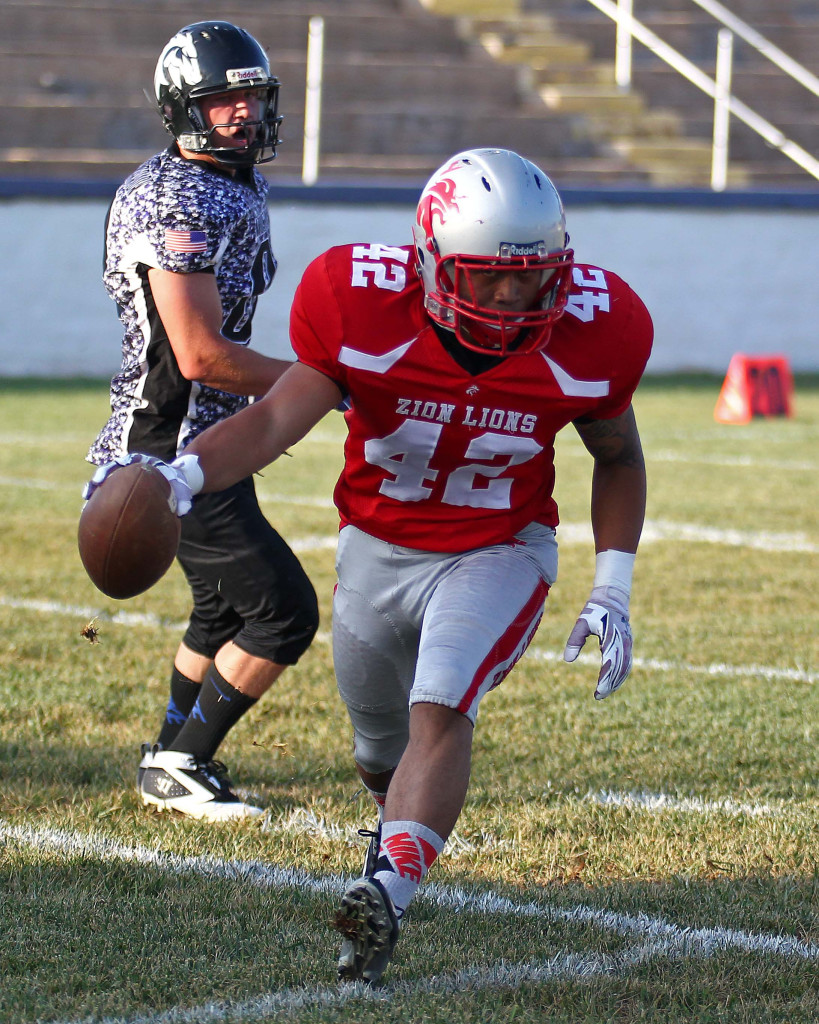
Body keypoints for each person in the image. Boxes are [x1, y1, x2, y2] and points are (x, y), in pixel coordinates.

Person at [86, 147, 652, 981]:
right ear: (428, 260)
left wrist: (613, 585)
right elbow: (277, 419)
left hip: (497, 548)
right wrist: (182, 475)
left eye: (528, 275)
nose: (508, 295)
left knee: (441, 702)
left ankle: (383, 895)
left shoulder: (600, 328)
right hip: (377, 551)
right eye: (485, 274)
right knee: (380, 751)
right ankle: (394, 831)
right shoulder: (359, 302)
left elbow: (617, 454)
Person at [85, 21, 319, 822]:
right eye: (222, 102)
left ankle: (165, 756)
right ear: (183, 108)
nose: (243, 114)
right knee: (282, 612)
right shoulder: (176, 195)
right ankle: (185, 759)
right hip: (170, 448)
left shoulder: (232, 180)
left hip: (210, 437)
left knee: (222, 609)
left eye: (251, 96)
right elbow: (199, 355)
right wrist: (319, 383)